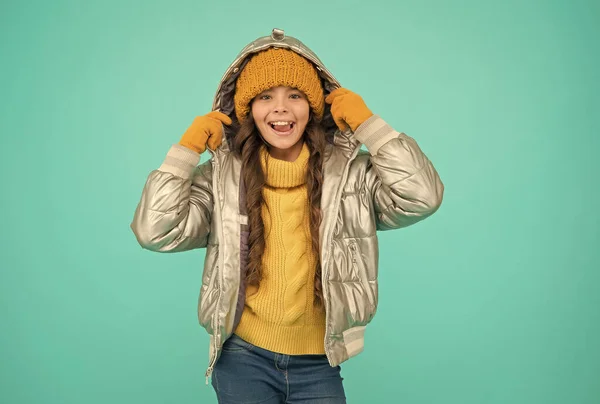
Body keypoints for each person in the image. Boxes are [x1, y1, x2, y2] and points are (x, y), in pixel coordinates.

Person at [131, 28, 444, 404]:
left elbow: (422, 196)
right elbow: (155, 230)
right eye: (265, 97)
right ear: (247, 110)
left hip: (319, 362)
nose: (280, 108)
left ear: (314, 106)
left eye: (294, 95)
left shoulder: (352, 178)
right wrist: (185, 151)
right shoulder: (222, 179)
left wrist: (370, 126)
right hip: (243, 357)